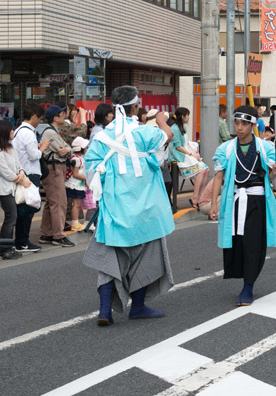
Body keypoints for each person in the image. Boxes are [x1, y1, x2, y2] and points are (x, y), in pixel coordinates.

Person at [83, 85, 176, 325]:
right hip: (146, 208)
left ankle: (105, 310)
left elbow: (91, 171)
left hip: (115, 209)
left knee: (109, 258)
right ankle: (139, 306)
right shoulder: (145, 132)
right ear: (135, 107)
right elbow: (167, 136)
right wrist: (163, 120)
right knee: (146, 256)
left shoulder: (101, 137)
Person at [208, 105, 276, 306]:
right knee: (237, 242)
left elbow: (272, 176)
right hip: (234, 200)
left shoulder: (265, 147)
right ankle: (242, 278)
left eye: (244, 124)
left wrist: (275, 170)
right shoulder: (226, 148)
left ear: (252, 125)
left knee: (253, 243)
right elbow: (218, 176)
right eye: (237, 123)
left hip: (257, 200)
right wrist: (213, 203)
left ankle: (248, 286)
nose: (239, 128)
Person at [0, 119, 28, 261]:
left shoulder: (11, 148)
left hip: (14, 187)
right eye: (11, 130)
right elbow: (6, 173)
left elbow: (19, 165)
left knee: (12, 217)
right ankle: (4, 248)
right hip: (4, 189)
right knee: (11, 217)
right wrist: (18, 177)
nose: (13, 132)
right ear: (4, 132)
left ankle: (7, 247)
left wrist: (21, 173)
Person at [37, 105, 74, 247]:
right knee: (59, 201)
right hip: (54, 168)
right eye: (62, 113)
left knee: (51, 202)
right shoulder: (50, 133)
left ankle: (46, 233)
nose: (65, 115)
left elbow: (66, 148)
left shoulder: (53, 132)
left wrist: (67, 150)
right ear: (55, 118)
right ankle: (58, 235)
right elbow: (63, 150)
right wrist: (68, 150)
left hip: (54, 167)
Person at [11, 104, 46, 253]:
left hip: (22, 172)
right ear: (33, 117)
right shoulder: (29, 133)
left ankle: (20, 241)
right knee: (28, 209)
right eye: (39, 118)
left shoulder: (18, 130)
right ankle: (22, 242)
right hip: (30, 174)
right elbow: (33, 155)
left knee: (22, 209)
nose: (39, 121)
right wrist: (42, 148)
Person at [66, 136, 89, 231]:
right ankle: (75, 222)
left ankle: (75, 222)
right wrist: (86, 178)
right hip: (75, 185)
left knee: (77, 204)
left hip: (77, 185)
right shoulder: (77, 159)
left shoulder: (77, 158)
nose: (87, 149)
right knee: (76, 204)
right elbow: (75, 174)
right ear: (81, 148)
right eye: (86, 147)